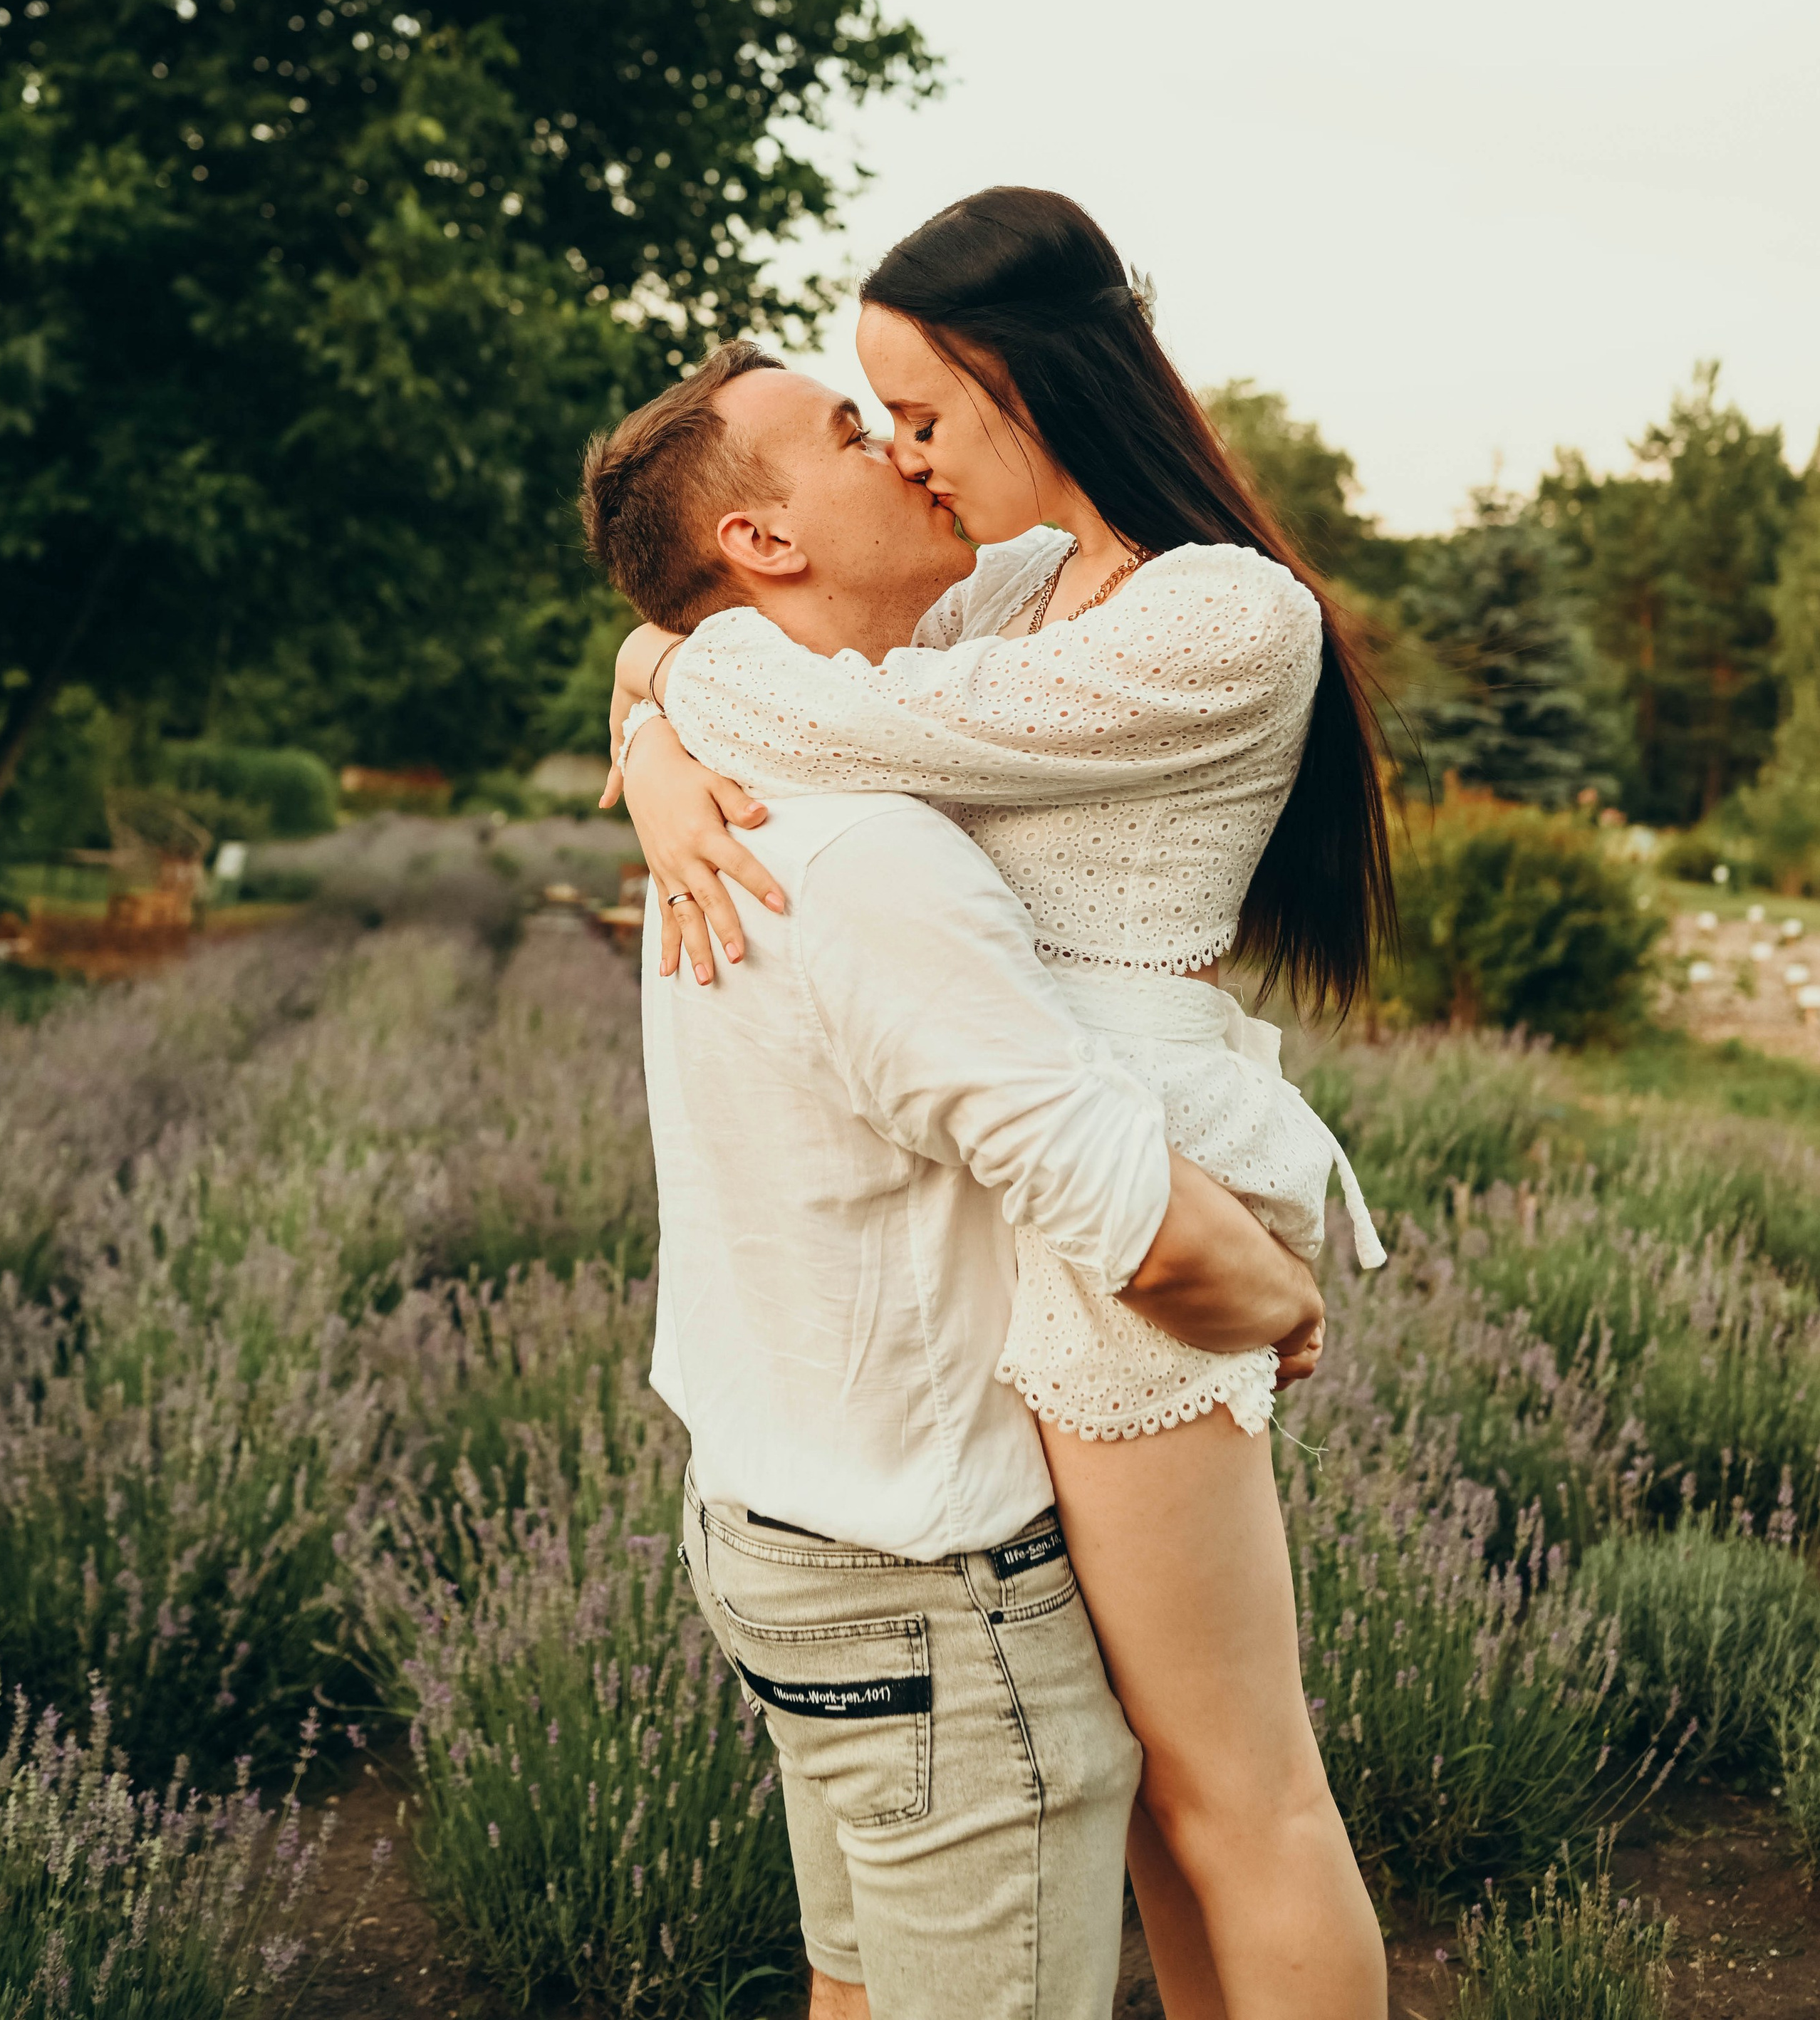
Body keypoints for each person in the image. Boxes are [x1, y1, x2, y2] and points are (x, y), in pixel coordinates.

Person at [593, 189, 1393, 2020]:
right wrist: (650, 715)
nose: (911, 464)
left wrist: (662, 718)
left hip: (1139, 1172)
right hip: (1045, 1172)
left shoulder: (1220, 616)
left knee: (1237, 1788)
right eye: (877, 430)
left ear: (1029, 383)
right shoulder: (1022, 586)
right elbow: (750, 628)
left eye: (922, 418)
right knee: (1137, 1801)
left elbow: (821, 709)